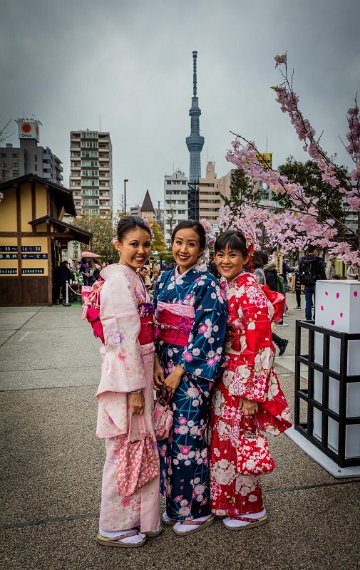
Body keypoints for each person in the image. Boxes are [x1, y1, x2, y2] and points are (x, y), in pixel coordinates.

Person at [210, 230, 292, 530]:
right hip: (226, 375)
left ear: (246, 257)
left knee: (241, 440)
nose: (225, 260)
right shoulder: (225, 286)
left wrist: (250, 392)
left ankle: (251, 507)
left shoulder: (250, 291)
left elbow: (260, 345)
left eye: (233, 254)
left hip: (242, 378)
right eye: (220, 254)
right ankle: (227, 502)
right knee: (224, 442)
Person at [153, 220, 227, 536]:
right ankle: (173, 504)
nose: (183, 249)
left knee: (188, 438)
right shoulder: (163, 280)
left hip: (191, 373)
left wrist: (180, 371)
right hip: (163, 369)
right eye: (178, 242)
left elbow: (208, 332)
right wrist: (156, 359)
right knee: (166, 436)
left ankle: (195, 508)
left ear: (201, 249)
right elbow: (153, 324)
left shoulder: (208, 285)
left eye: (191, 244)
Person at [96, 216, 161, 548]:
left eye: (146, 244)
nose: (141, 251)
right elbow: (121, 339)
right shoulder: (118, 282)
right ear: (118, 244)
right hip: (128, 376)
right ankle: (114, 525)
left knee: (139, 445)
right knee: (124, 448)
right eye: (134, 244)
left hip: (142, 368)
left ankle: (138, 519)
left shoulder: (131, 278)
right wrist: (134, 388)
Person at [262, 253, 288, 356]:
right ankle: (280, 342)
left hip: (267, 302)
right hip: (267, 302)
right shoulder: (267, 272)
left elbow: (272, 288)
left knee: (262, 328)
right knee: (263, 328)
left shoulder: (267, 273)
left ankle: (280, 342)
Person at [299, 245, 326, 321]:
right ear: (314, 250)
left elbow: (300, 272)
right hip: (317, 283)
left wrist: (302, 283)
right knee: (317, 301)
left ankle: (308, 318)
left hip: (307, 283)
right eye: (316, 250)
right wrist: (324, 281)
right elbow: (322, 272)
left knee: (308, 301)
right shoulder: (319, 260)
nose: (317, 252)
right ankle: (316, 317)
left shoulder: (302, 259)